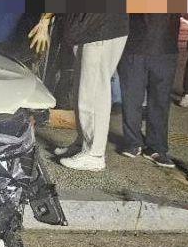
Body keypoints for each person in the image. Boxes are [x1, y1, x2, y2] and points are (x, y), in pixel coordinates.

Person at [30, 13, 129, 171]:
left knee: (93, 93)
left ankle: (94, 154)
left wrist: (44, 20)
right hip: (89, 28)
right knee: (82, 91)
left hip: (99, 28)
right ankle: (83, 144)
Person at [117, 14, 179, 168]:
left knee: (160, 102)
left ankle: (156, 147)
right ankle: (133, 142)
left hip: (166, 49)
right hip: (133, 48)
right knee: (131, 100)